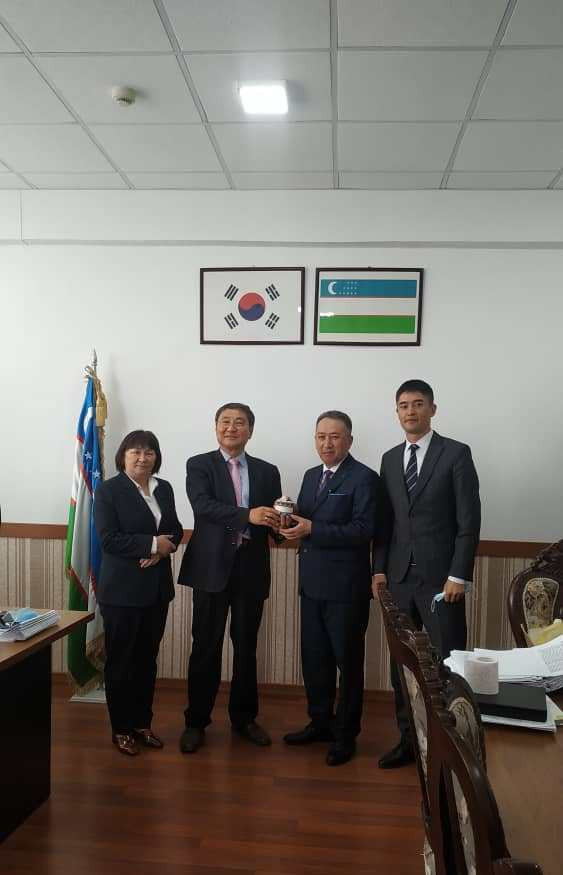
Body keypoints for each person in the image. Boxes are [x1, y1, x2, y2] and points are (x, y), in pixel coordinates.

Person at [373, 379, 481, 768]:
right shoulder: (389, 459)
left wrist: (458, 575)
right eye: (404, 405)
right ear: (397, 412)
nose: (411, 411)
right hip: (399, 579)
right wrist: (379, 570)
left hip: (441, 582)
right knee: (401, 666)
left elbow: (469, 520)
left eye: (418, 404)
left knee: (447, 664)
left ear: (432, 409)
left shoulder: (456, 454)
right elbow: (385, 522)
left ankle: (451, 749)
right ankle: (409, 741)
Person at [177, 403, 282, 753]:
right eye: (225, 422)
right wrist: (248, 515)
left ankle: (244, 718)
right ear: (216, 427)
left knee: (246, 648)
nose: (231, 428)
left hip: (251, 568)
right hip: (211, 569)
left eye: (240, 423)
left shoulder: (267, 471)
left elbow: (271, 518)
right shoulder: (199, 465)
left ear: (250, 430)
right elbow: (203, 506)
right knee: (205, 647)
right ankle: (196, 722)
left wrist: (283, 524)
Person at [281, 411, 380, 766]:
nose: (327, 443)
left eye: (335, 437)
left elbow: (364, 530)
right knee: (315, 660)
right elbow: (308, 522)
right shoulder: (311, 476)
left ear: (349, 440)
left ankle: (345, 734)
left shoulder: (365, 478)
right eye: (321, 437)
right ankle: (319, 722)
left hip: (346, 589)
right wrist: (287, 520)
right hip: (311, 585)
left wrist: (312, 529)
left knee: (347, 665)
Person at [94, 430, 183, 756]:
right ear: (123, 456)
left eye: (149, 452)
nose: (143, 458)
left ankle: (142, 723)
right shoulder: (108, 491)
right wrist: (151, 544)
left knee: (146, 660)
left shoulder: (164, 488)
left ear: (156, 457)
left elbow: (174, 529)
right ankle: (121, 729)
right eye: (136, 452)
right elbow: (109, 539)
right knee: (121, 662)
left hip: (157, 589)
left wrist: (161, 550)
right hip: (122, 592)